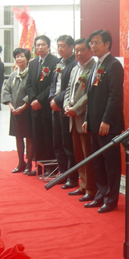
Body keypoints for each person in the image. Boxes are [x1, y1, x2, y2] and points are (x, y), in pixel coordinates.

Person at [82, 30, 124, 214]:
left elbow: (115, 97)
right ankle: (101, 194)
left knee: (111, 164)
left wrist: (106, 120)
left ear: (107, 44)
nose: (93, 46)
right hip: (93, 124)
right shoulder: (95, 65)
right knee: (97, 163)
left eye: (96, 42)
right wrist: (86, 119)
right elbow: (90, 96)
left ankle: (111, 199)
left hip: (108, 125)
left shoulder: (113, 65)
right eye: (91, 43)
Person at [64, 38, 97, 202]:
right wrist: (66, 105)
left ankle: (91, 188)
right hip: (72, 117)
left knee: (87, 155)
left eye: (82, 50)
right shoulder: (75, 68)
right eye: (76, 50)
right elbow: (68, 90)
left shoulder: (94, 68)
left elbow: (89, 95)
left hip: (84, 117)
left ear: (90, 50)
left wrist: (75, 109)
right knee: (78, 154)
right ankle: (83, 184)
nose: (78, 53)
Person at [26, 35, 59, 176]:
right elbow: (29, 84)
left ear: (48, 46)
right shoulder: (33, 63)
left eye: (43, 45)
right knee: (37, 138)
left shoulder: (55, 62)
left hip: (46, 107)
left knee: (48, 138)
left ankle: (50, 168)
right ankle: (39, 167)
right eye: (38, 45)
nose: (40, 47)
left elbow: (52, 84)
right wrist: (33, 99)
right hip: (35, 108)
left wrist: (39, 100)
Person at [49, 35, 79, 190]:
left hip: (65, 108)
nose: (60, 49)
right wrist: (51, 98)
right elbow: (53, 84)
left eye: (63, 46)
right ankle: (62, 173)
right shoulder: (59, 63)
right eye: (58, 46)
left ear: (70, 47)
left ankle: (72, 177)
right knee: (57, 143)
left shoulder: (74, 64)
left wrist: (57, 100)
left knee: (68, 144)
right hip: (55, 107)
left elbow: (69, 87)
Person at [2, 48, 33, 173]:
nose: (19, 59)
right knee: (18, 137)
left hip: (27, 111)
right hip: (15, 111)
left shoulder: (31, 74)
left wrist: (24, 106)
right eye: (17, 57)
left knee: (29, 138)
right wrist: (10, 105)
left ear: (27, 59)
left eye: (22, 56)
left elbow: (32, 92)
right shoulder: (13, 75)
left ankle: (29, 164)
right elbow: (6, 91)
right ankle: (21, 162)